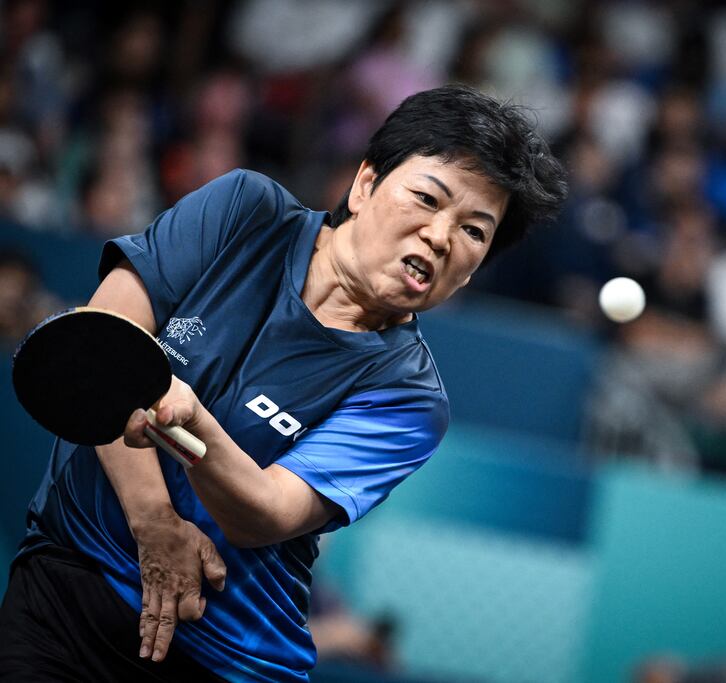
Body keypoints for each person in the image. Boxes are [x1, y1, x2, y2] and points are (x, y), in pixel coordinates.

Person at [0, 85, 567, 682]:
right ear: (365, 184)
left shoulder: (410, 398)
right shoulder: (245, 211)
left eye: (474, 231)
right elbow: (100, 345)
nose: (440, 236)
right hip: (69, 586)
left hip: (226, 656)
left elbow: (264, 512)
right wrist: (155, 525)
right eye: (427, 198)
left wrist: (189, 417)